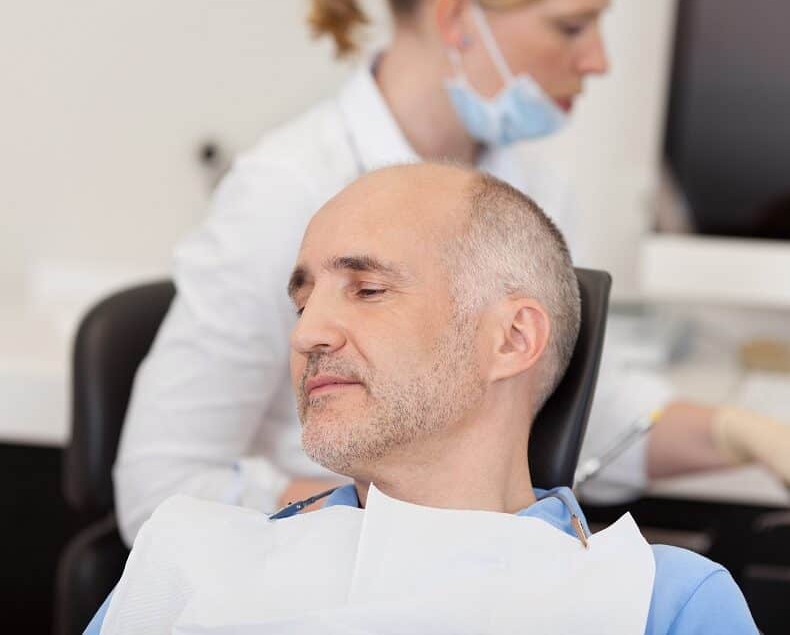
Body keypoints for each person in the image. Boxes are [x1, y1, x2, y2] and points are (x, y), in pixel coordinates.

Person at [113, 0, 790, 544]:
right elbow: (160, 488)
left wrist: (747, 434)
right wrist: (410, 528)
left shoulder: (530, 188)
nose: (598, 60)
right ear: (461, 19)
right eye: (571, 27)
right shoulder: (285, 191)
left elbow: (574, 418)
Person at [89, 163, 757, 634]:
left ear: (511, 338)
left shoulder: (655, 604)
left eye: (368, 290)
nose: (307, 334)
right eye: (301, 302)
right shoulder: (189, 557)